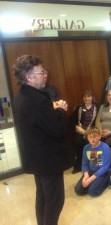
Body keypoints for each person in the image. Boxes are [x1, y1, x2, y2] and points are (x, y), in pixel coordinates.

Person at [12, 55, 74, 225]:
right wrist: (61, 110)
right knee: (55, 201)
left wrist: (51, 110)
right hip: (48, 160)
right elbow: (58, 129)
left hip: (37, 159)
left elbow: (38, 122)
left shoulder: (21, 97)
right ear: (29, 77)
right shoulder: (38, 100)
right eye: (41, 72)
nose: (45, 75)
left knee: (43, 198)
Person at [74, 127, 111, 196]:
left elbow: (105, 167)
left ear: (99, 136)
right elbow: (84, 163)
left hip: (102, 172)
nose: (92, 139)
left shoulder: (105, 148)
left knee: (93, 192)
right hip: (91, 171)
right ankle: (93, 183)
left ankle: (106, 181)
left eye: (94, 137)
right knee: (78, 190)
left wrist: (90, 179)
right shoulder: (86, 148)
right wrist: (86, 175)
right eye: (90, 137)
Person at [71, 90, 99, 174]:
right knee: (77, 142)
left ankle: (95, 165)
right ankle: (78, 165)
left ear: (92, 97)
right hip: (80, 131)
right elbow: (72, 121)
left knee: (92, 142)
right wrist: (77, 127)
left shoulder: (97, 107)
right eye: (85, 97)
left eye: (89, 96)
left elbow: (99, 120)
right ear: (83, 98)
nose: (87, 98)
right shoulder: (78, 108)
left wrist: (90, 131)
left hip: (92, 131)